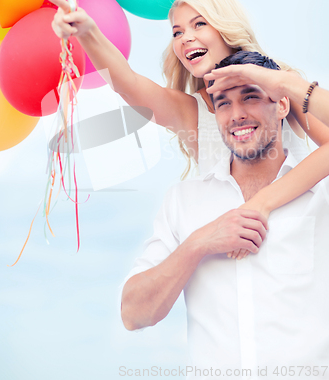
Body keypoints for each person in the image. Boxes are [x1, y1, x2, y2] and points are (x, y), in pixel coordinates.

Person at [47, 0, 329, 259]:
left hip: (297, 241)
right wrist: (88, 32)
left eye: (199, 24)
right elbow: (128, 83)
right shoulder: (190, 111)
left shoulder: (277, 84)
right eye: (177, 32)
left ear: (224, 28)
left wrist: (261, 204)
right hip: (233, 252)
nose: (185, 38)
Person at [121, 51, 329, 379]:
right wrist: (199, 243)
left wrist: (283, 82)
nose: (237, 115)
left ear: (283, 104)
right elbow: (134, 313)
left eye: (251, 97)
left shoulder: (323, 194)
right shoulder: (184, 201)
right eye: (223, 103)